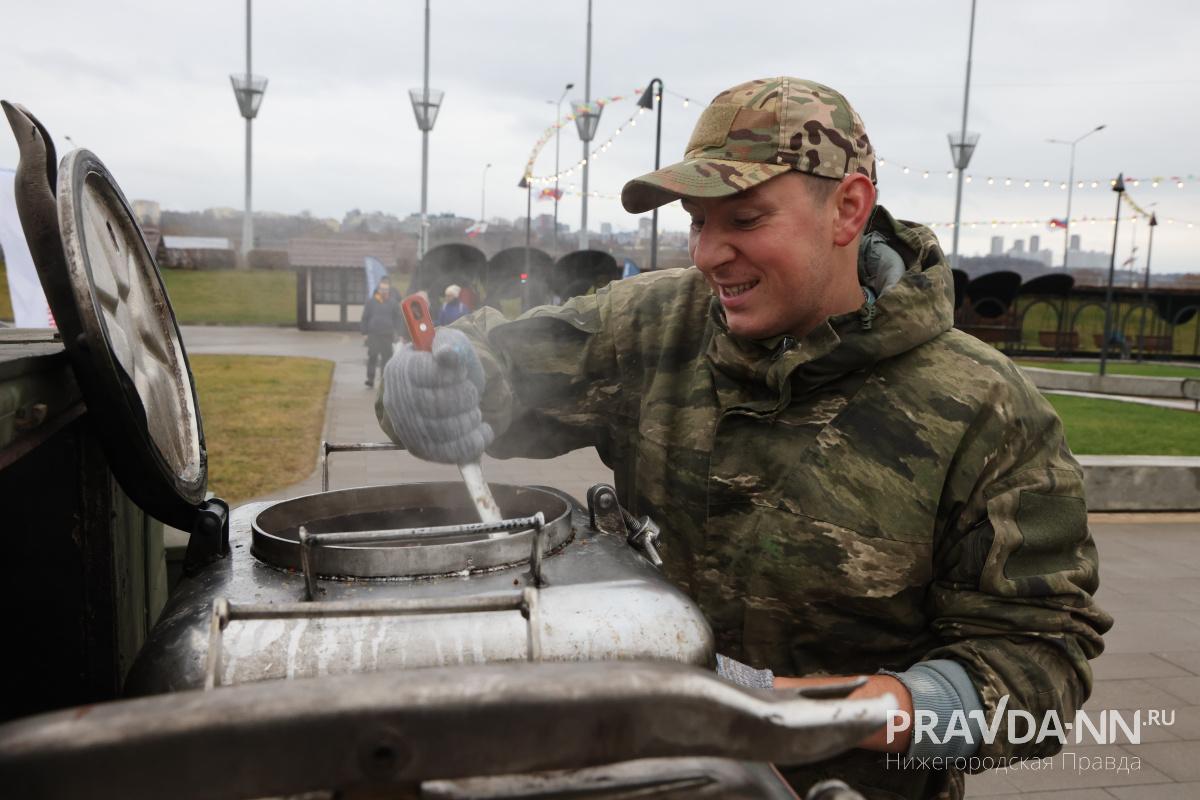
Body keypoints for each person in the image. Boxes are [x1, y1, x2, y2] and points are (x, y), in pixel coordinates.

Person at [378, 77, 1109, 799]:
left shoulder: (982, 407)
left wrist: (810, 712)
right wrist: (431, 380)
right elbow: (491, 369)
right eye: (700, 222)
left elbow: (1041, 664)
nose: (706, 254)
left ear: (847, 209)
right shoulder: (654, 326)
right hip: (642, 777)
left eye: (746, 220)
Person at [360, 276, 401, 388]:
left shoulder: (393, 303)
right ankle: (370, 379)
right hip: (373, 335)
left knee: (386, 358)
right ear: (378, 289)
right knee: (372, 356)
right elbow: (365, 318)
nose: (384, 291)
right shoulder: (371, 302)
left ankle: (384, 380)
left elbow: (398, 319)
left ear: (388, 290)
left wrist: (399, 333)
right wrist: (364, 333)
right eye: (382, 289)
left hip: (387, 335)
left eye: (386, 290)